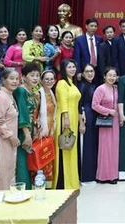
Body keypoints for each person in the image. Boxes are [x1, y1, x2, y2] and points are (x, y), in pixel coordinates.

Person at [53, 59, 81, 189]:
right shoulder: (61, 83)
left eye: (74, 67)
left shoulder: (72, 84)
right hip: (65, 119)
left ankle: (72, 181)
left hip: (73, 118)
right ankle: (63, 183)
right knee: (65, 148)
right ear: (64, 69)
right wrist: (66, 118)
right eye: (69, 67)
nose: (73, 69)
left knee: (71, 148)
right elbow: (63, 102)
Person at [0, 68, 20, 190]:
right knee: (3, 170)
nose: (15, 81)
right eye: (11, 78)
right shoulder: (1, 97)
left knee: (9, 168)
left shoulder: (9, 95)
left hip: (10, 140)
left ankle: (9, 196)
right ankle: (2, 196)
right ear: (4, 80)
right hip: (3, 139)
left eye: (17, 79)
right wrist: (11, 136)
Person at [14, 63, 41, 188]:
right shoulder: (21, 91)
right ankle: (23, 190)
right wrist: (26, 135)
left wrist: (35, 127)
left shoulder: (31, 91)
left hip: (30, 129)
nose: (35, 78)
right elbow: (23, 113)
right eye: (32, 75)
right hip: (22, 131)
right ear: (23, 77)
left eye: (37, 75)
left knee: (29, 161)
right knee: (22, 162)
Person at [92, 67, 119, 184]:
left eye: (114, 75)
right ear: (104, 76)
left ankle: (113, 175)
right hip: (106, 121)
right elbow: (95, 105)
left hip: (116, 121)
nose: (112, 78)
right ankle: (103, 176)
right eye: (110, 75)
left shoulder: (116, 88)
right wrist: (108, 111)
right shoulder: (100, 89)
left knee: (114, 148)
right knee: (105, 148)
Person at [78, 64, 98, 184]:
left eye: (91, 71)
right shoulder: (83, 86)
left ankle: (93, 173)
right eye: (87, 71)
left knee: (93, 145)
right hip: (87, 117)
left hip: (94, 116)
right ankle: (86, 176)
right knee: (86, 146)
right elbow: (78, 104)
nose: (90, 73)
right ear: (83, 74)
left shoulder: (93, 85)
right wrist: (81, 121)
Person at [37, 70, 57, 188]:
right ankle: (39, 185)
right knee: (41, 157)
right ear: (41, 80)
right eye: (46, 79)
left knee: (48, 157)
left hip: (51, 129)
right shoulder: (38, 94)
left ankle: (49, 186)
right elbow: (35, 113)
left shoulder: (52, 93)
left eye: (51, 79)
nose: (49, 81)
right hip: (41, 130)